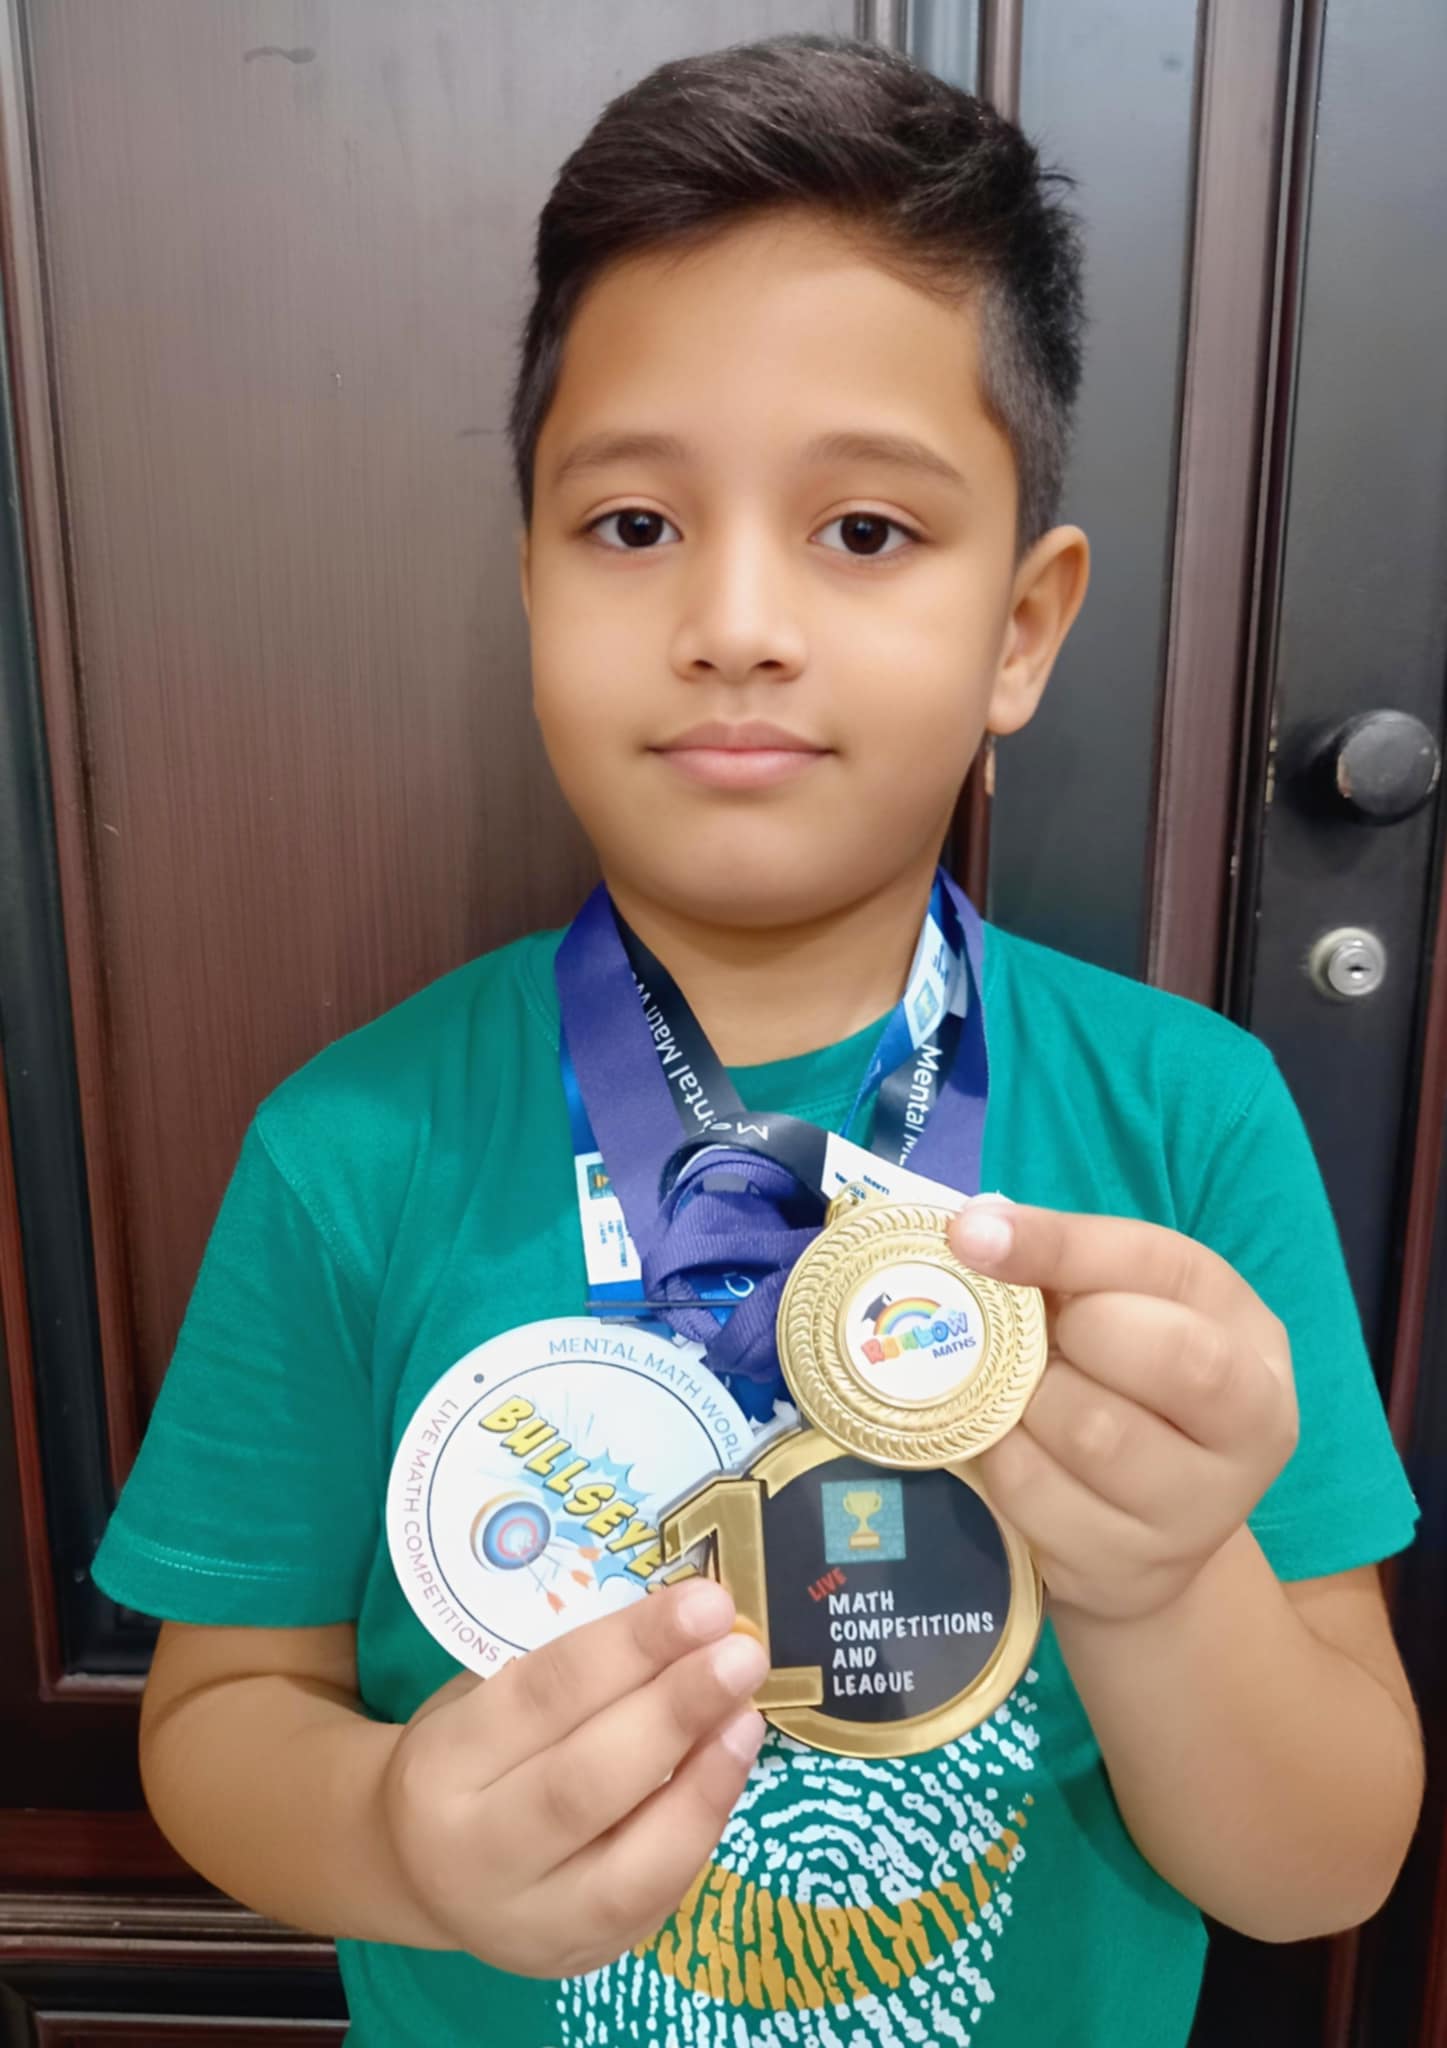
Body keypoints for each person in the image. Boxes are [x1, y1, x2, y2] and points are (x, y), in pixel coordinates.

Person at [90, 32, 1423, 2048]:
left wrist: (1161, 1581)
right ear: (529, 582)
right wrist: (395, 1838)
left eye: (863, 532)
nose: (734, 618)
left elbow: (1322, 1865)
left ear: (1022, 629)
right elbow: (217, 1715)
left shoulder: (1188, 1128)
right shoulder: (351, 1148)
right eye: (631, 525)